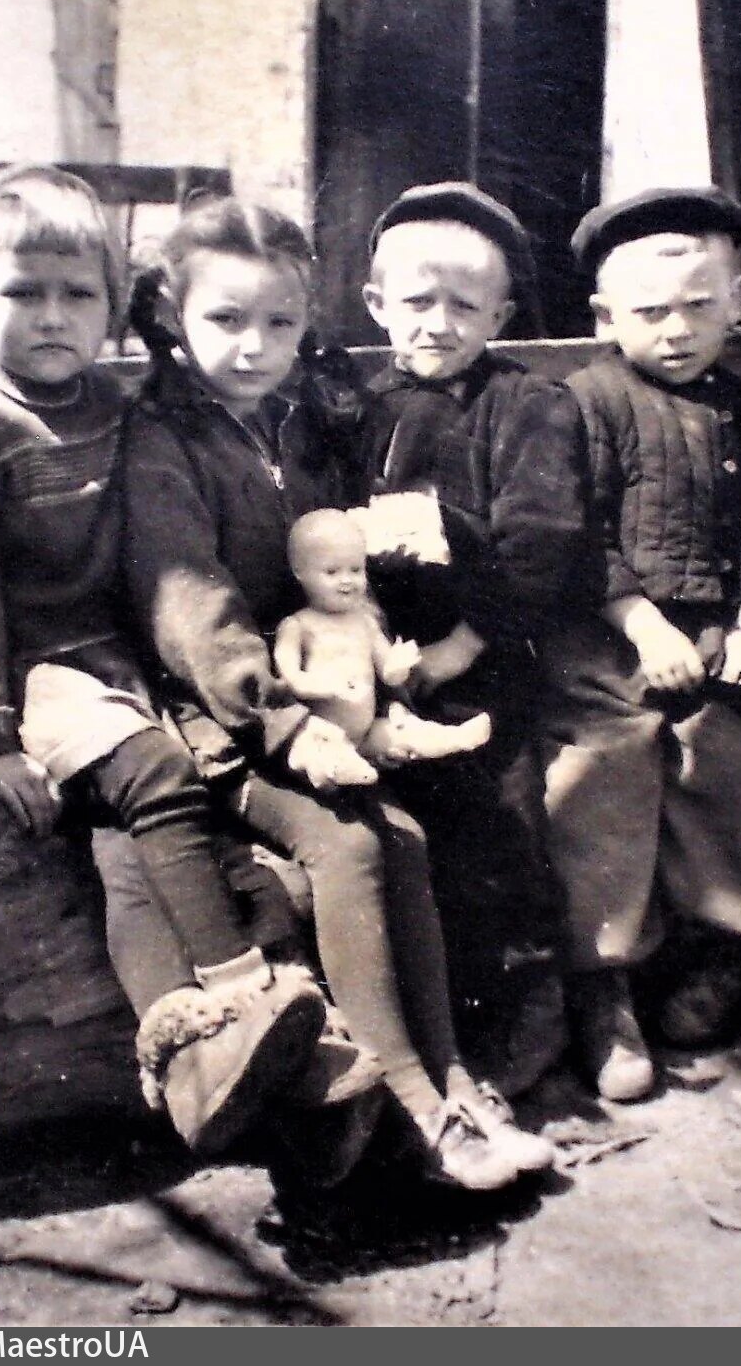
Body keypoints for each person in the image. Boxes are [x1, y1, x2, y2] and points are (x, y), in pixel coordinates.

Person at [120, 193, 555, 1189]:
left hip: (321, 692)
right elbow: (189, 603)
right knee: (350, 843)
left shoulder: (297, 421)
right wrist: (278, 718)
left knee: (403, 836)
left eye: (280, 322)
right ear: (175, 319)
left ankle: (451, 1078)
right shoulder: (163, 442)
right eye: (226, 319)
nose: (255, 346)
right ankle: (413, 1104)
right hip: (228, 713)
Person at [0, 164, 332, 1159]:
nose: (53, 317)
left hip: (119, 656)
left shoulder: (113, 403)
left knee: (134, 842)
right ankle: (238, 993)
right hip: (35, 666)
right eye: (22, 292)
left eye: (79, 293)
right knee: (157, 775)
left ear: (113, 307)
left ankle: (201, 1066)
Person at [539, 188, 741, 1102]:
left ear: (737, 301)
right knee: (606, 757)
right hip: (608, 629)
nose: (677, 331)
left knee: (733, 742)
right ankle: (603, 981)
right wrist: (641, 622)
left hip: (721, 625)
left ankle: (725, 947)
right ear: (605, 315)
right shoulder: (586, 403)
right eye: (649, 312)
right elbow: (576, 534)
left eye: (698, 306)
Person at [357, 182, 589, 1095]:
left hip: (488, 651)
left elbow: (542, 541)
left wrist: (463, 643)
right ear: (377, 303)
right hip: (378, 655)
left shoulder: (525, 405)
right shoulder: (359, 408)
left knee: (497, 816)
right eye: (418, 301)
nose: (440, 323)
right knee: (401, 831)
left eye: (465, 305)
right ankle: (421, 1013)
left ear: (500, 314)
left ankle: (531, 997)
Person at [274, 508, 493, 779]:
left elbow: (388, 673)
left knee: (407, 732)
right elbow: (291, 679)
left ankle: (456, 737)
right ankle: (343, 768)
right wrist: (325, 686)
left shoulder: (364, 622)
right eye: (332, 572)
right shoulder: (297, 625)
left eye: (356, 569)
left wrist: (398, 665)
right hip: (320, 728)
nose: (347, 580)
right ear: (300, 572)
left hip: (367, 731)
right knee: (322, 750)